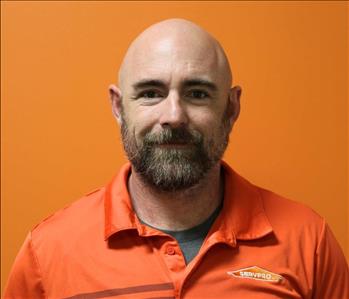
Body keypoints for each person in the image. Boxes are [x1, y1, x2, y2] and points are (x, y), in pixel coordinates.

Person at [4, 18, 349, 299]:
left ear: (231, 108)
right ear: (118, 107)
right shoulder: (47, 251)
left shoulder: (309, 241)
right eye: (151, 93)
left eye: (197, 93)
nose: (174, 115)